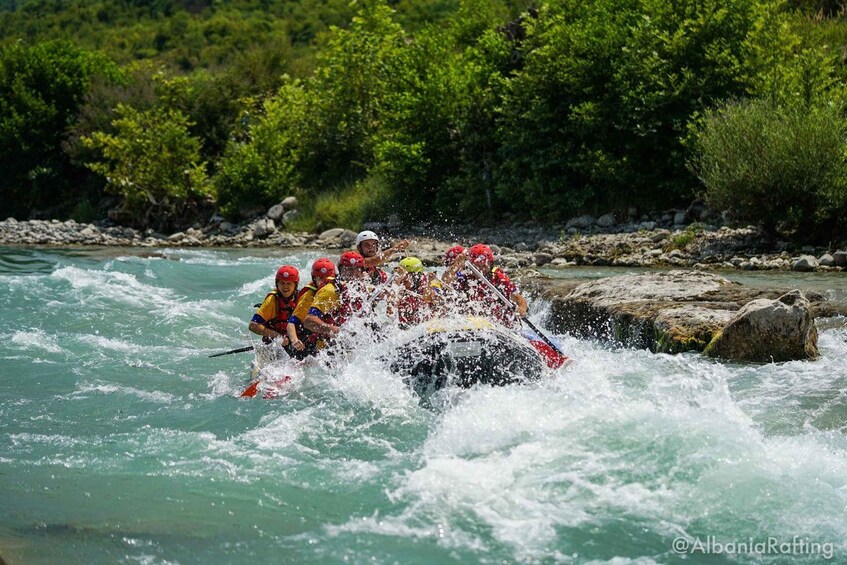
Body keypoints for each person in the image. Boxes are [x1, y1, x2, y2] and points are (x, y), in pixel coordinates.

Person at [303, 251, 368, 348]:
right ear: (341, 270)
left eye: (356, 269)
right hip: (324, 348)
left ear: (362, 271)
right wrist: (332, 329)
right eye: (349, 269)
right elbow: (309, 321)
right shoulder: (330, 291)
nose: (353, 274)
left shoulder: (361, 289)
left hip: (349, 343)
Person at [453, 244, 528, 326]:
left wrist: (522, 309)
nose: (481, 270)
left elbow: (518, 298)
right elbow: (446, 281)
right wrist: (454, 267)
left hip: (502, 325)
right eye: (477, 266)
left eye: (484, 266)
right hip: (474, 322)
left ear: (490, 264)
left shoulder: (498, 277)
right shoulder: (465, 276)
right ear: (471, 265)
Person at [286, 258, 336, 358]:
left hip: (328, 340)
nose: (323, 282)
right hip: (308, 340)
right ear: (314, 278)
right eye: (320, 278)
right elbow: (291, 323)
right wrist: (295, 341)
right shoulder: (308, 297)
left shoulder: (336, 291)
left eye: (326, 278)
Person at [248, 265, 300, 346]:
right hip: (274, 345)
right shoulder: (272, 300)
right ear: (277, 284)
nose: (285, 286)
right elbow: (253, 325)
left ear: (295, 285)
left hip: (295, 342)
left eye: (289, 283)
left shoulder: (302, 298)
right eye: (282, 283)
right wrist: (278, 337)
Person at [392, 256, 443, 328]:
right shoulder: (399, 289)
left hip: (423, 326)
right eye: (401, 277)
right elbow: (390, 312)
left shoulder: (425, 284)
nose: (403, 281)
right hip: (404, 327)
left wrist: (428, 282)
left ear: (416, 276)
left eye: (405, 278)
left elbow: (428, 298)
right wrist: (397, 283)